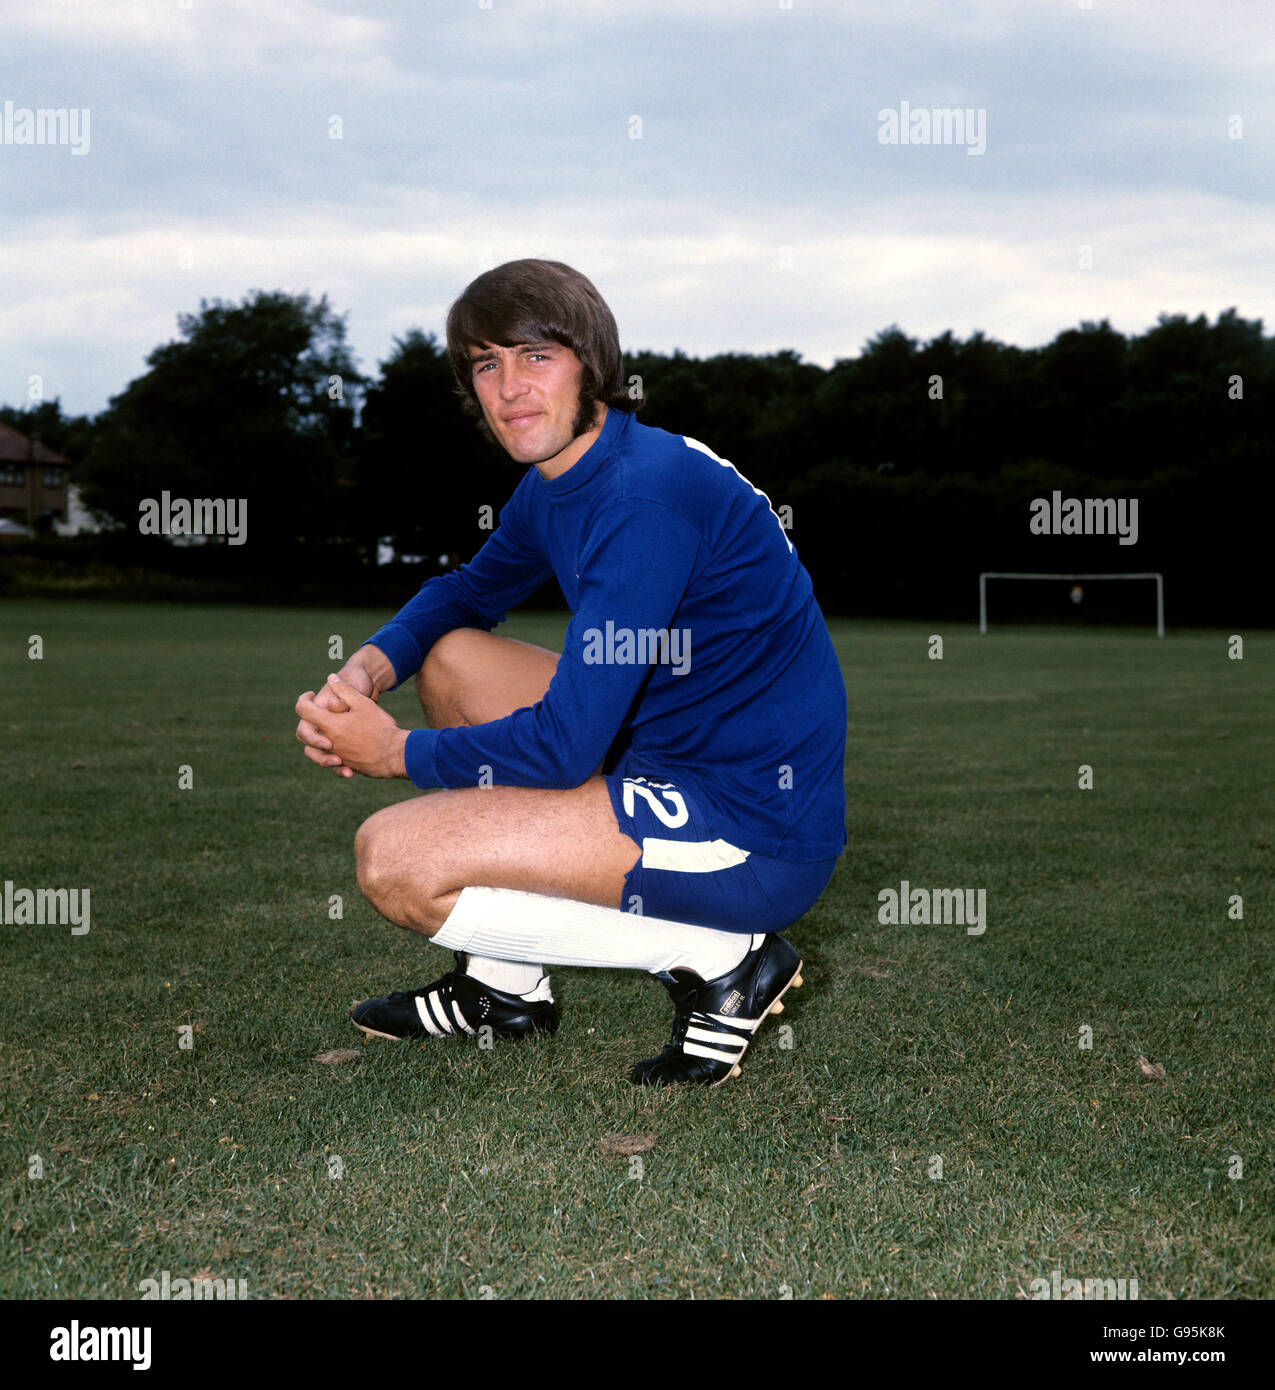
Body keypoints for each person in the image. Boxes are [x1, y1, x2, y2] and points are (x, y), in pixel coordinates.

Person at [294, 258, 846, 1087]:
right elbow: (467, 593)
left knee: (395, 864)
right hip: (665, 749)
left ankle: (725, 961)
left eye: (535, 357)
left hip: (749, 824)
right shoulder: (563, 478)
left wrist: (393, 752)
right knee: (451, 660)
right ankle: (502, 994)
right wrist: (373, 668)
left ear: (592, 365)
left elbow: (561, 749)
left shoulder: (641, 500)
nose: (510, 387)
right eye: (487, 364)